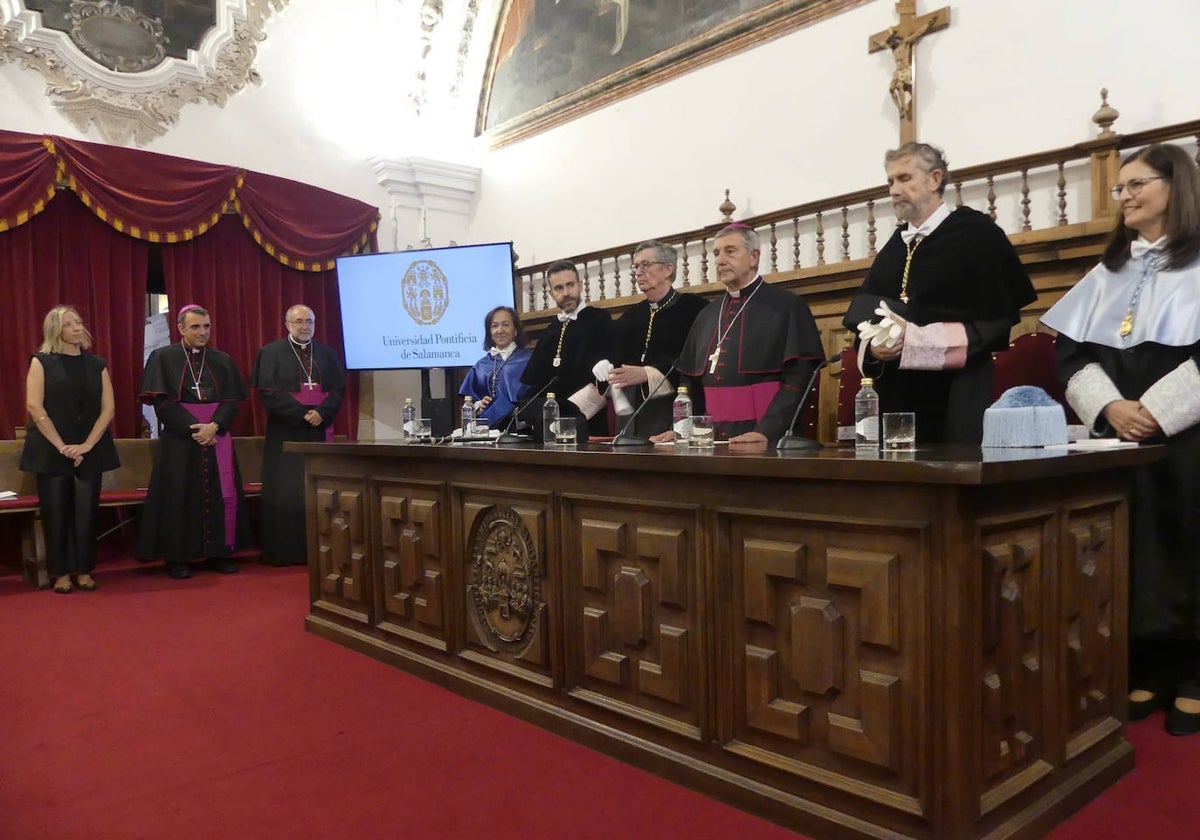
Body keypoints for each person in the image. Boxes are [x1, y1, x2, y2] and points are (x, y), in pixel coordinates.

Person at [1041, 143, 1200, 736]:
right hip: (1121, 437)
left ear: (1175, 186)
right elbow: (1070, 350)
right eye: (1120, 188)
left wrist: (1158, 411)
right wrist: (1111, 406)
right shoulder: (1108, 271)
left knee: (1187, 543)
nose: (1125, 195)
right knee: (1134, 548)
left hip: (1188, 436)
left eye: (1137, 184)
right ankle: (1149, 665)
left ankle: (1194, 671)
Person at [842, 142, 1036, 444]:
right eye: (890, 181)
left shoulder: (976, 234)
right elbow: (865, 316)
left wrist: (923, 341)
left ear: (934, 179)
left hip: (958, 391)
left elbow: (995, 321)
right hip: (898, 397)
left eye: (904, 178)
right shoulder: (896, 245)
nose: (893, 190)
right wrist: (875, 347)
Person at [661, 224, 824, 445]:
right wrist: (680, 430)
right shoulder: (707, 315)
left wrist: (767, 430)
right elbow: (689, 382)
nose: (720, 260)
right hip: (708, 437)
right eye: (716, 253)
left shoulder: (787, 306)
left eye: (730, 251)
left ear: (754, 256)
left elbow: (799, 378)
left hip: (766, 434)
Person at [138, 305, 252, 579]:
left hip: (217, 436)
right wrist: (195, 429)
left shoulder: (222, 360)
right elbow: (161, 401)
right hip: (181, 439)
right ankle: (179, 557)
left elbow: (232, 400)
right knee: (180, 496)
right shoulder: (162, 357)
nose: (202, 332)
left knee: (221, 494)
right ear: (180, 329)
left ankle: (219, 553)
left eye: (206, 327)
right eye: (195, 327)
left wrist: (214, 426)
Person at [20, 306, 120, 594]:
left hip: (90, 448)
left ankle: (84, 570)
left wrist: (87, 445)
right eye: (69, 324)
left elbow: (108, 407)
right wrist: (62, 446)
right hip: (51, 449)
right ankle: (61, 573)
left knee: (87, 511)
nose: (77, 328)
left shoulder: (97, 364)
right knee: (56, 512)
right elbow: (34, 406)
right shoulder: (41, 361)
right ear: (55, 330)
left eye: (78, 322)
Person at [251, 304, 346, 566]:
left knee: (319, 491)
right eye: (299, 321)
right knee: (287, 491)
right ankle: (286, 552)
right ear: (287, 325)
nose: (305, 326)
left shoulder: (327, 354)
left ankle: (323, 550)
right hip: (286, 432)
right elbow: (268, 393)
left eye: (310, 321)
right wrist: (302, 413)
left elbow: (338, 391)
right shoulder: (270, 353)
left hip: (319, 431)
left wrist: (321, 413)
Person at [594, 240, 707, 437]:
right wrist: (603, 366)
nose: (638, 272)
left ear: (667, 269)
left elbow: (693, 365)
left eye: (645, 265)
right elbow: (613, 356)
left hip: (669, 412)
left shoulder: (695, 309)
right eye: (636, 266)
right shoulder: (630, 316)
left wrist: (648, 374)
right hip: (630, 415)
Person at [520, 260, 613, 439]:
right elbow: (535, 382)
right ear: (551, 293)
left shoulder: (600, 319)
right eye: (559, 288)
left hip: (588, 419)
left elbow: (609, 368)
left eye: (570, 285)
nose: (566, 293)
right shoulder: (550, 330)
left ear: (580, 285)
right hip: (549, 423)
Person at [458, 305, 532, 427]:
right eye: (494, 326)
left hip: (520, 429)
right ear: (490, 332)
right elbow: (469, 402)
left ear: (516, 330)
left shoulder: (529, 359)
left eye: (505, 325)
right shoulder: (481, 365)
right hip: (487, 432)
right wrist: (478, 406)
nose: (500, 330)